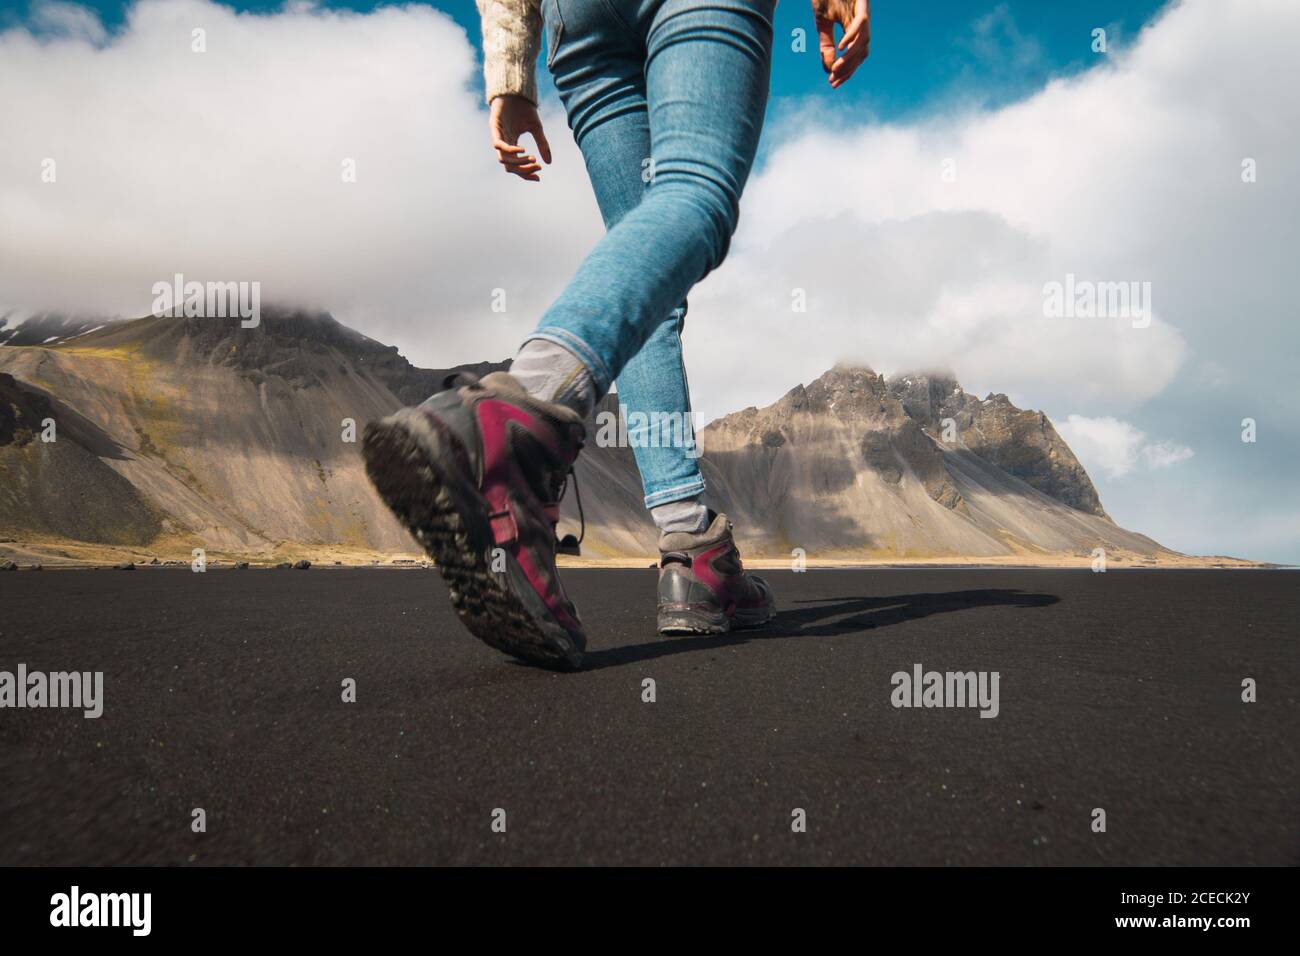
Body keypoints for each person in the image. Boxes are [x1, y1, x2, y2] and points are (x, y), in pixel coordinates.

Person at [363, 0, 871, 669]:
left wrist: (510, 71)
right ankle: (519, 418)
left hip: (580, 19)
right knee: (697, 191)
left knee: (651, 292)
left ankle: (691, 545)